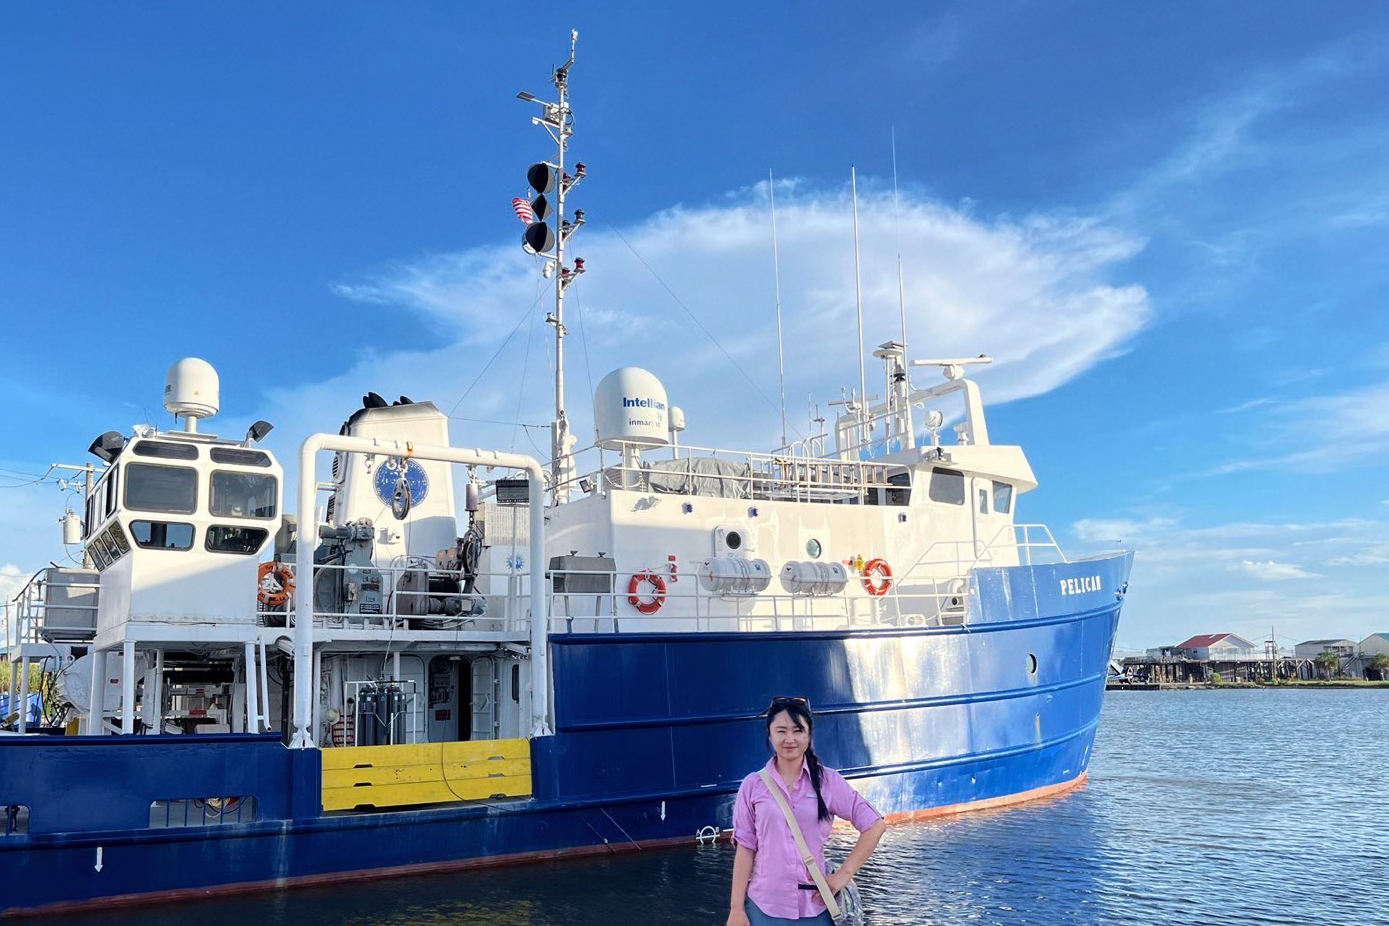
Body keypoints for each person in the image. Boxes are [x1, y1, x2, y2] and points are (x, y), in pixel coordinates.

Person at [727, 697, 886, 926]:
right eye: (781, 731)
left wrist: (843, 874)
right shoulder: (752, 786)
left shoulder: (827, 781)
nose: (789, 739)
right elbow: (745, 848)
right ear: (770, 735)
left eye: (798, 730)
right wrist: (736, 908)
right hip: (764, 909)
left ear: (809, 735)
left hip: (817, 909)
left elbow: (875, 825)